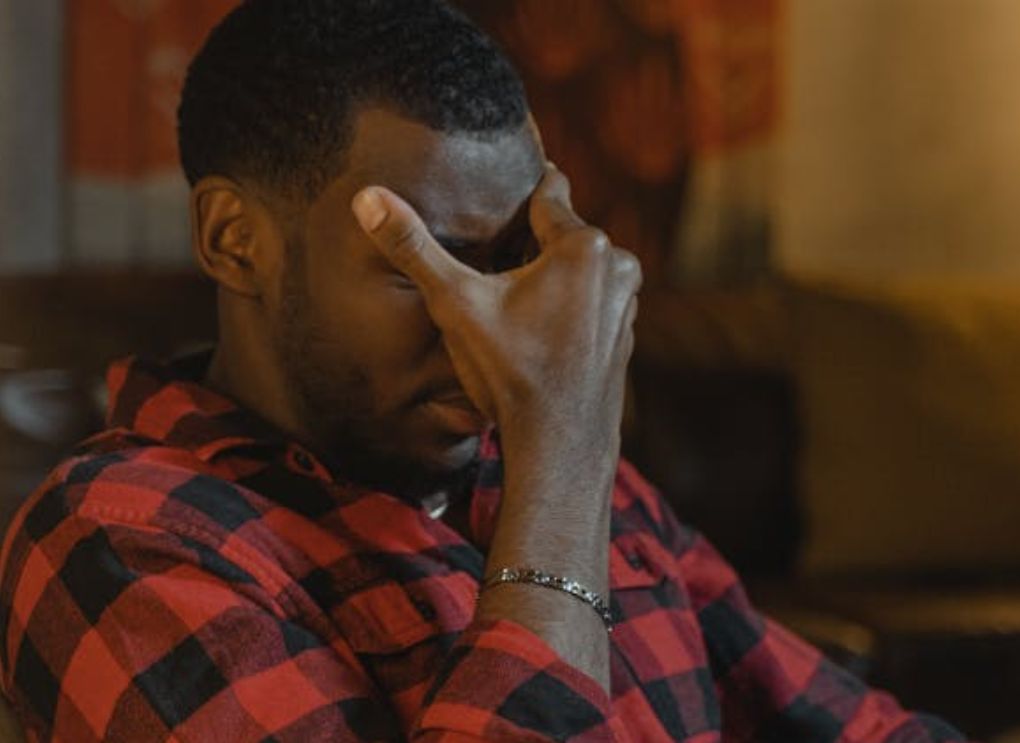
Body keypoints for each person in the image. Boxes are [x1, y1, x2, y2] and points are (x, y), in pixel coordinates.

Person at [0, 1, 967, 741]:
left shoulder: (570, 480)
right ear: (234, 240)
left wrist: (562, 469)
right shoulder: (120, 539)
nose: (493, 323)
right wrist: (563, 461)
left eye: (515, 263)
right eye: (429, 265)